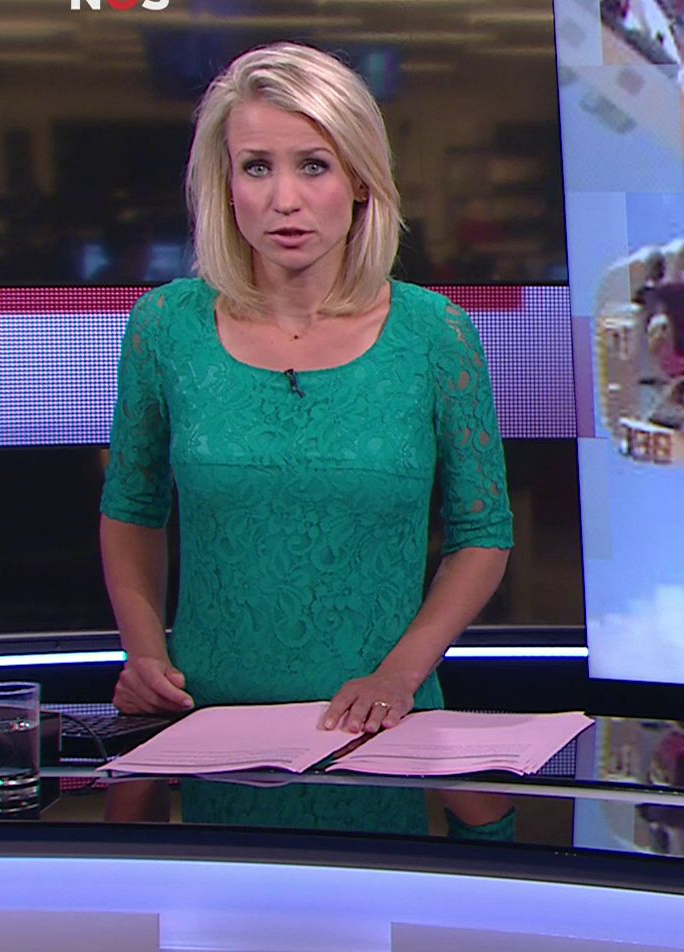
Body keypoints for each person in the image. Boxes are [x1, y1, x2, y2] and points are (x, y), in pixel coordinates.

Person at [98, 42, 515, 838]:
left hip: (380, 723)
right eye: (256, 167)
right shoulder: (165, 327)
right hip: (207, 724)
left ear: (359, 179)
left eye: (313, 166)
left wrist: (399, 676)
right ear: (224, 183)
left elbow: (483, 534)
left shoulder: (435, 334)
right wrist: (145, 657)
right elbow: (132, 510)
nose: (284, 200)